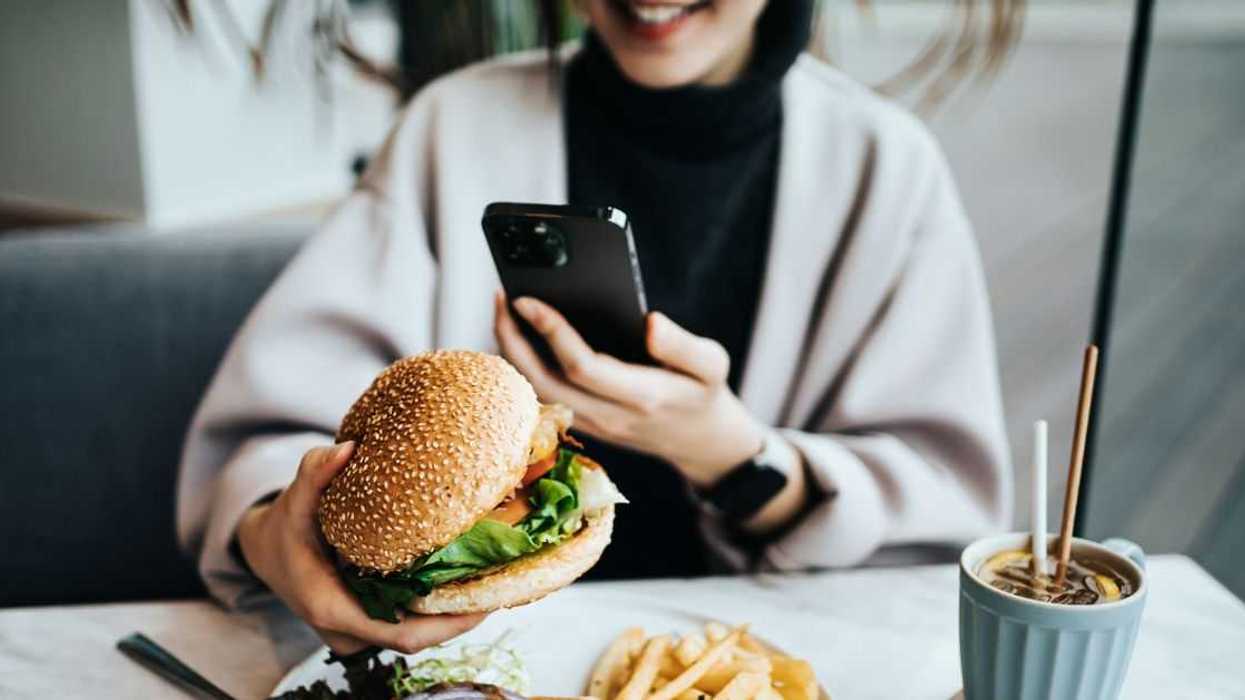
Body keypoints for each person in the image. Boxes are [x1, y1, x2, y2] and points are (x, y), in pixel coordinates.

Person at [177, 0, 1013, 656]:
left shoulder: (885, 165)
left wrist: (734, 457)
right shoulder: (451, 127)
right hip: (472, 667)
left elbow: (942, 517)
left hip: (767, 658)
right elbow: (269, 444)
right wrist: (274, 537)